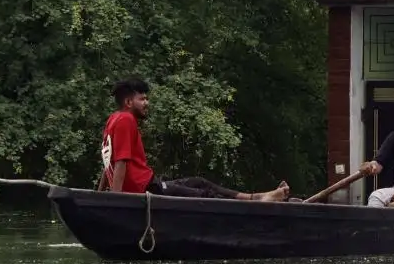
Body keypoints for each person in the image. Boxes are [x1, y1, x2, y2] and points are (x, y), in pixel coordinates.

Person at [100, 78, 289, 201]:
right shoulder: (126, 120)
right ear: (128, 102)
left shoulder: (112, 120)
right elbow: (119, 162)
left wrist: (99, 195)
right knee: (203, 195)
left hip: (152, 185)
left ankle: (254, 197)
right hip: (149, 189)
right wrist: (117, 202)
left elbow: (107, 163)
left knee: (198, 182)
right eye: (142, 99)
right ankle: (258, 201)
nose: (147, 103)